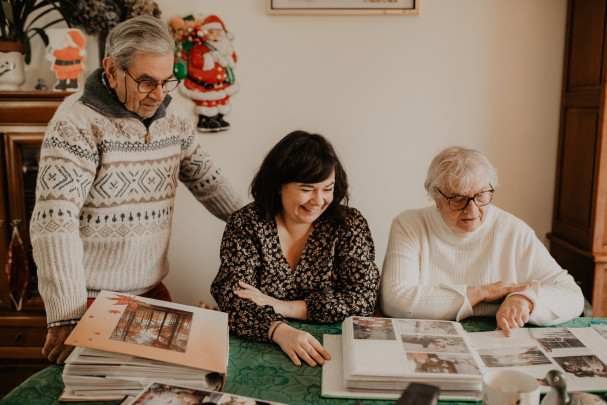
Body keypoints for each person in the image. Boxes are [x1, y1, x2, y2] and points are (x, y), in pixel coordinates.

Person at [30, 15, 243, 365]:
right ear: (111, 71)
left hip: (153, 293)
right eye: (146, 82)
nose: (158, 95)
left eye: (166, 82)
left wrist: (264, 224)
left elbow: (208, 180)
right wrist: (66, 316)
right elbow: (55, 220)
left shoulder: (172, 119)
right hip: (90, 302)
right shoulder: (75, 123)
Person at [211, 130, 379, 367]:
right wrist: (278, 330)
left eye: (328, 188)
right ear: (279, 186)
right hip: (263, 345)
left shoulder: (349, 224)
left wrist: (283, 307)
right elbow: (231, 295)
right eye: (307, 189)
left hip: (332, 350)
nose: (319, 200)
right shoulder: (246, 223)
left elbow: (363, 299)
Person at [380, 146, 584, 336]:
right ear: (436, 198)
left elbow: (572, 295)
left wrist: (525, 300)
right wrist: (482, 292)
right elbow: (394, 299)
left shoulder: (512, 230)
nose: (472, 210)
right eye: (458, 199)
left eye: (480, 195)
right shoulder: (410, 225)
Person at [179, 14, 239, 133]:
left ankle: (219, 118)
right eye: (212, 32)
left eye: (218, 32)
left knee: (222, 102)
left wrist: (227, 57)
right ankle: (206, 120)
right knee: (207, 103)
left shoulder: (225, 47)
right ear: (205, 33)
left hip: (222, 85)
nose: (215, 35)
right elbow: (196, 61)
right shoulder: (199, 48)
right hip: (204, 85)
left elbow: (233, 58)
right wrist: (210, 56)